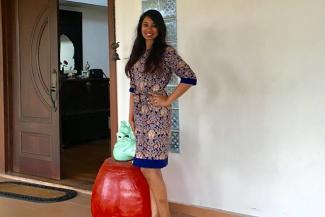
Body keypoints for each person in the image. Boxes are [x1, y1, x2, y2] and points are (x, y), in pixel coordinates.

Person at [125, 9, 197, 217]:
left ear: (160, 29)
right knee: (148, 170)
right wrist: (130, 115)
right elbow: (133, 87)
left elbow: (189, 77)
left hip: (156, 116)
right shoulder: (138, 52)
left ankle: (165, 215)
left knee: (150, 168)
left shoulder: (166, 52)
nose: (149, 29)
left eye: (154, 25)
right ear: (140, 27)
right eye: (146, 24)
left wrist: (168, 100)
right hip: (139, 116)